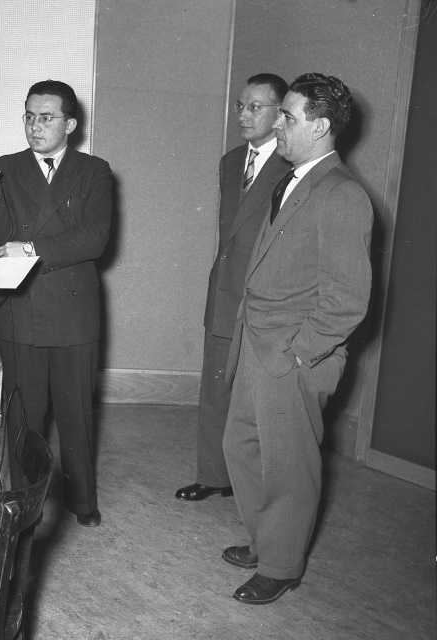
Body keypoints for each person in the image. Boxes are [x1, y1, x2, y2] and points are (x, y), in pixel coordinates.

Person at [222, 73, 373, 604]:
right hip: (259, 343)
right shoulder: (292, 179)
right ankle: (267, 541)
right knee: (240, 444)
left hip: (291, 353)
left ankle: (282, 565)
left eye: (288, 116)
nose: (277, 125)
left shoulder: (343, 194)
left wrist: (298, 355)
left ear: (321, 126)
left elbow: (347, 299)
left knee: (289, 465)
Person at [0, 80, 112, 527]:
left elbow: (95, 237)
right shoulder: (5, 168)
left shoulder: (94, 171)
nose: (35, 126)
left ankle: (82, 501)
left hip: (73, 312)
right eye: (29, 116)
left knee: (76, 413)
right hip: (22, 308)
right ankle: (21, 502)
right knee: (23, 415)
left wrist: (33, 248)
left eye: (47, 118)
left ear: (70, 124)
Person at [176, 74, 290, 502]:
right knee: (215, 389)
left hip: (264, 298)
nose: (243, 115)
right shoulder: (230, 162)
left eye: (255, 107)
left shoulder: (292, 165)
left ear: (280, 113)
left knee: (260, 399)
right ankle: (213, 475)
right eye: (240, 106)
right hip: (225, 292)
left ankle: (255, 486)